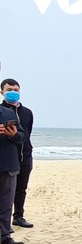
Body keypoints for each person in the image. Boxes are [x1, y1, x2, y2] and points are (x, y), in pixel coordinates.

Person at [1, 79, 35, 229]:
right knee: (5, 192)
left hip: (25, 155)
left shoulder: (27, 112)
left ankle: (18, 216)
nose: (13, 93)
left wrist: (17, 136)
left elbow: (26, 133)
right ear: (2, 92)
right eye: (9, 90)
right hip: (7, 158)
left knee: (21, 188)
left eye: (16, 90)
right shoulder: (2, 111)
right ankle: (4, 224)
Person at [0, 104, 25, 244]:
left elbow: (22, 136)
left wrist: (14, 134)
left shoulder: (9, 113)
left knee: (6, 204)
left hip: (8, 165)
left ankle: (5, 235)